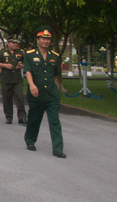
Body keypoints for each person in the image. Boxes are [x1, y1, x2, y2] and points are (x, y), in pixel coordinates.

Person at [24, 26, 66, 158]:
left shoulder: (55, 56)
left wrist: (58, 87)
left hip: (51, 95)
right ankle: (30, 140)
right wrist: (31, 85)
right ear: (38, 39)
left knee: (55, 121)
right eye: (43, 38)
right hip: (36, 93)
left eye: (48, 39)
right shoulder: (30, 55)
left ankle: (58, 148)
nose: (45, 41)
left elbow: (56, 75)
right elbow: (28, 71)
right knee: (34, 119)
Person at [0, 35, 27, 125]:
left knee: (19, 98)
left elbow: (26, 62)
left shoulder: (20, 52)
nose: (15, 44)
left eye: (16, 43)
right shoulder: (2, 52)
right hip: (6, 79)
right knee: (7, 99)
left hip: (17, 79)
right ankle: (9, 116)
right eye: (13, 43)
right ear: (8, 43)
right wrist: (5, 65)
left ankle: (22, 117)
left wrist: (21, 65)